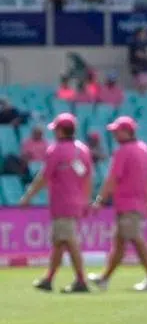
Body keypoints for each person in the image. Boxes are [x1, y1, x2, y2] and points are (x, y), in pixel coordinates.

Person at [18, 113, 94, 293]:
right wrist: (87, 200)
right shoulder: (83, 150)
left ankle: (81, 280)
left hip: (62, 203)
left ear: (60, 131)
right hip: (76, 201)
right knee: (59, 242)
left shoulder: (56, 150)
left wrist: (28, 197)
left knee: (68, 240)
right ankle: (48, 279)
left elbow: (44, 177)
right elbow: (88, 178)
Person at [88, 116, 147, 292]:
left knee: (136, 239)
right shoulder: (144, 149)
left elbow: (112, 179)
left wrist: (100, 200)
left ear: (126, 132)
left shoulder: (123, 152)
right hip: (136, 202)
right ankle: (104, 278)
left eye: (116, 131)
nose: (114, 135)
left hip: (128, 203)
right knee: (120, 243)